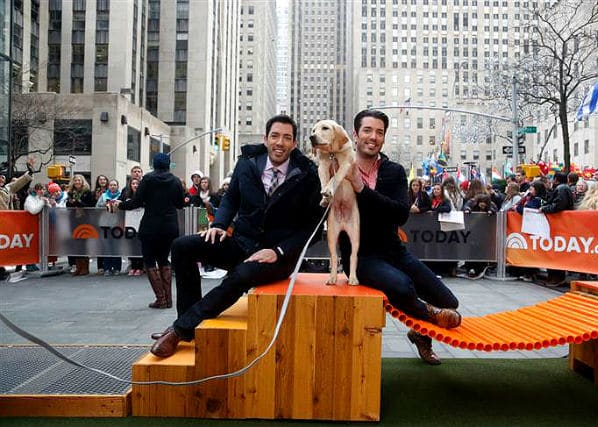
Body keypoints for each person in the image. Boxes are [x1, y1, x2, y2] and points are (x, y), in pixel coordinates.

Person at [149, 114, 323, 358]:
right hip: (242, 243)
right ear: (265, 139)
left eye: (287, 138)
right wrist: (219, 224)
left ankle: (179, 330)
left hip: (277, 257)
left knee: (242, 273)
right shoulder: (248, 162)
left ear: (294, 143)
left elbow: (314, 227)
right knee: (182, 246)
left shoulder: (307, 174)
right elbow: (231, 198)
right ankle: (188, 323)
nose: (280, 143)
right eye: (275, 136)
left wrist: (278, 251)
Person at [340, 110, 461, 366]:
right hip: (359, 256)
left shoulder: (394, 171)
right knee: (402, 286)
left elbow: (399, 214)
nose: (373, 137)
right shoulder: (339, 167)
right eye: (367, 130)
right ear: (355, 134)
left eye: (379, 132)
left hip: (394, 250)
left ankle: (419, 333)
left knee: (449, 301)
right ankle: (428, 323)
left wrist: (361, 190)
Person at [115, 153, 184, 309]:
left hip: (151, 225)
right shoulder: (175, 181)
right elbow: (180, 204)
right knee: (164, 259)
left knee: (149, 260)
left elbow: (136, 202)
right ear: (168, 164)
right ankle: (168, 299)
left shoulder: (148, 179)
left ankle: (161, 299)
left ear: (154, 164)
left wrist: (120, 205)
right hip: (170, 226)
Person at [66, 174, 94, 275]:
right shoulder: (70, 193)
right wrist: (71, 202)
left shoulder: (88, 193)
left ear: (82, 182)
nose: (77, 182)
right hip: (73, 220)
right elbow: (67, 206)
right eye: (75, 180)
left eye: (79, 180)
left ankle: (85, 267)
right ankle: (78, 266)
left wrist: (77, 202)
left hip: (84, 220)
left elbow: (90, 206)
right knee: (76, 243)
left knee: (83, 243)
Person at [96, 179, 123, 275]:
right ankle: (107, 268)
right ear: (108, 186)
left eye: (115, 185)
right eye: (111, 185)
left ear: (117, 186)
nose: (112, 186)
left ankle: (117, 268)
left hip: (117, 224)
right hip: (105, 223)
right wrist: (105, 204)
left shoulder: (121, 196)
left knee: (116, 246)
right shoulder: (103, 196)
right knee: (106, 246)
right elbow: (96, 207)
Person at [119, 177, 144, 275]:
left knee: (140, 246)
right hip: (130, 224)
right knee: (132, 246)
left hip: (141, 223)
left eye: (137, 184)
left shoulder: (144, 195)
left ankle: (140, 267)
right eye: (133, 184)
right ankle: (133, 266)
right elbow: (120, 204)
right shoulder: (126, 195)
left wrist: (128, 204)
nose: (135, 185)